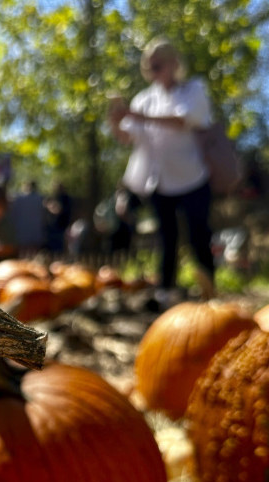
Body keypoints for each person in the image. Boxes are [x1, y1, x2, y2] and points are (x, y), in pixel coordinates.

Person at [109, 37, 216, 309]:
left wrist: (136, 116)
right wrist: (115, 121)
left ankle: (209, 292)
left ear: (173, 63)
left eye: (159, 65)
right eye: (150, 67)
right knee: (166, 238)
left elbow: (185, 120)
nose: (154, 71)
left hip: (192, 177)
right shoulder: (144, 100)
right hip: (160, 181)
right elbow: (126, 137)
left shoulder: (193, 89)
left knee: (198, 236)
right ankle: (166, 292)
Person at [9, 180, 46, 252]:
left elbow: (12, 214)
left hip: (22, 231)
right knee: (34, 252)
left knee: (23, 252)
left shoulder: (18, 198)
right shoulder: (40, 198)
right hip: (35, 230)